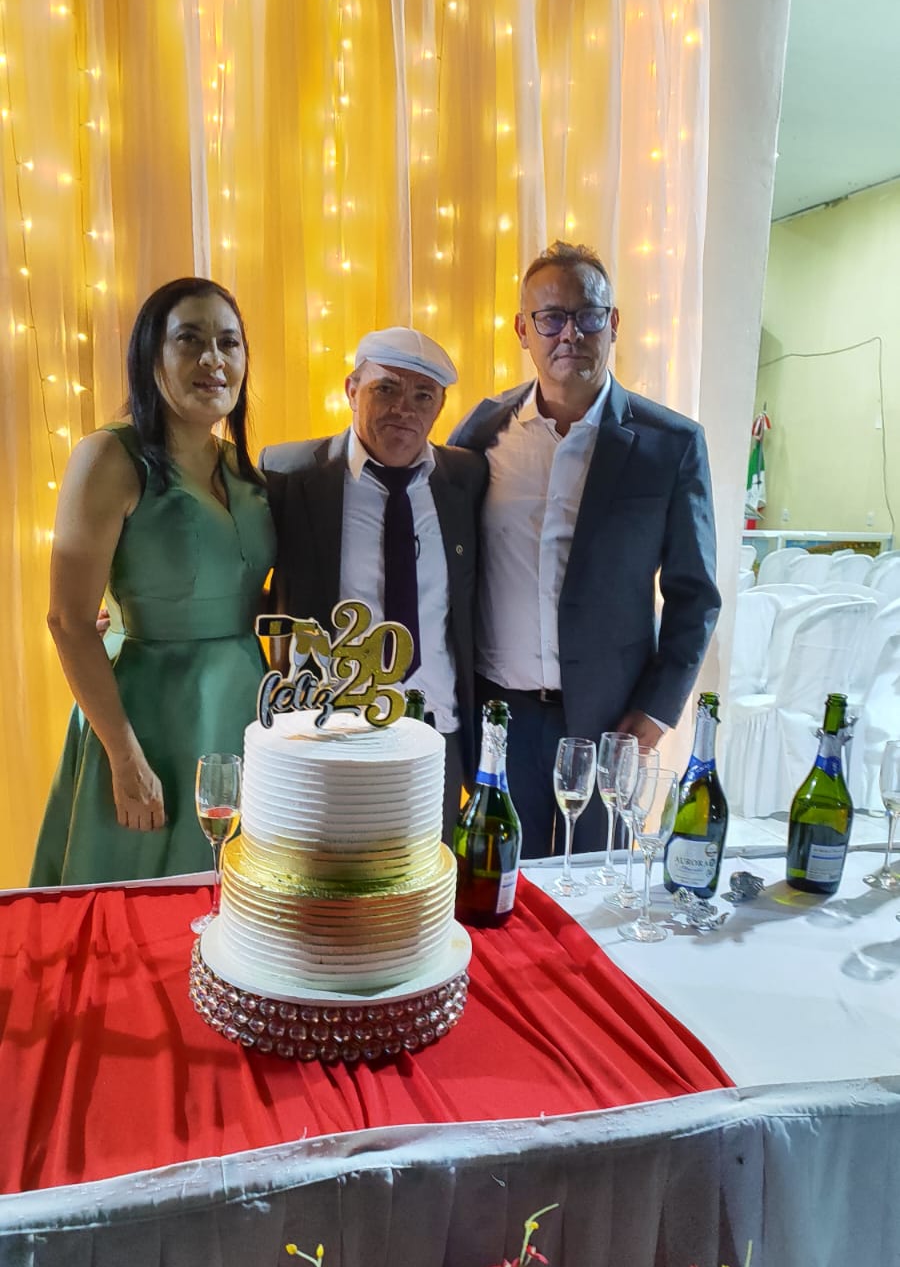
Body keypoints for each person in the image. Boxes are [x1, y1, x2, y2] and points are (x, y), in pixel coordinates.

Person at [447, 240, 721, 857]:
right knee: (501, 880)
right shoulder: (482, 433)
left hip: (611, 720)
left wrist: (657, 711)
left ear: (613, 322)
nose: (569, 333)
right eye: (550, 317)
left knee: (596, 880)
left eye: (588, 314)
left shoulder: (671, 444)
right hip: (501, 714)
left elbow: (695, 595)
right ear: (523, 330)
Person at [30, 277, 276, 885]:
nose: (213, 359)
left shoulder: (243, 469)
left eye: (229, 342)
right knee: (140, 902)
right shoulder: (109, 457)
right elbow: (68, 620)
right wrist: (124, 757)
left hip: (242, 705)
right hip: (146, 715)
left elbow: (248, 592)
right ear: (150, 355)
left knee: (239, 900)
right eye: (189, 339)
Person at [260, 328, 487, 841]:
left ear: (439, 407)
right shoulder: (288, 473)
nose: (404, 409)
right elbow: (238, 570)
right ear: (351, 389)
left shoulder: (467, 478)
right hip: (327, 724)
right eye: (386, 389)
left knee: (427, 870)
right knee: (327, 872)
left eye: (423, 395)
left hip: (436, 727)